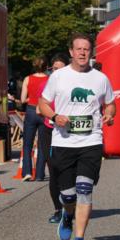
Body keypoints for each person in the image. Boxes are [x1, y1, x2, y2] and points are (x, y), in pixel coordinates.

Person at [37, 34, 116, 240]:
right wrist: (55, 117)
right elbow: (42, 104)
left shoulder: (101, 79)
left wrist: (109, 114)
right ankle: (67, 215)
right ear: (71, 52)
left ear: (91, 52)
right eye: (78, 49)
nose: (82, 52)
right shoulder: (58, 76)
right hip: (63, 142)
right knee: (68, 196)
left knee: (84, 190)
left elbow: (111, 104)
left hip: (91, 141)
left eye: (86, 49)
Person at [44, 54, 68, 223]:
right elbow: (38, 108)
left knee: (69, 172)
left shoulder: (73, 84)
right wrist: (53, 116)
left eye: (60, 69)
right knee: (53, 172)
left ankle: (70, 205)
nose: (56, 72)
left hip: (69, 133)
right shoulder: (47, 85)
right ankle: (58, 210)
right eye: (54, 69)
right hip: (49, 131)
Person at [19, 56, 49, 181]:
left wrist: (30, 98)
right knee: (42, 144)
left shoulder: (28, 79)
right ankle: (40, 174)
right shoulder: (49, 79)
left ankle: (27, 172)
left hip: (31, 110)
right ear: (46, 66)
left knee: (27, 144)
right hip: (44, 111)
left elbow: (22, 99)